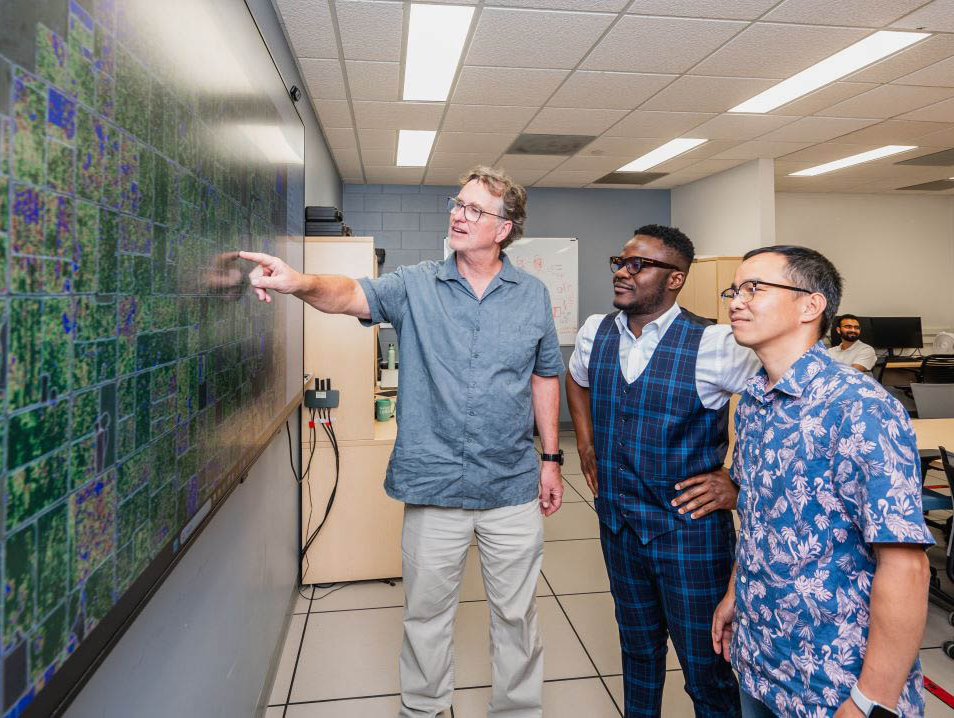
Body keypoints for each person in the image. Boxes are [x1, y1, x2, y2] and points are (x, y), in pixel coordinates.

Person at [235, 167, 565, 718]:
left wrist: (552, 459)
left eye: (475, 209)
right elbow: (349, 294)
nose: (459, 215)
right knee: (426, 617)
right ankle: (424, 709)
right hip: (433, 485)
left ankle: (517, 710)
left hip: (510, 486)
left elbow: (544, 376)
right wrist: (300, 282)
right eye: (457, 204)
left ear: (504, 229)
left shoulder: (531, 296)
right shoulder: (415, 285)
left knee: (517, 617)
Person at [712, 245, 933, 718]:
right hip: (762, 659)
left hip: (834, 682)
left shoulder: (858, 407)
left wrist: (871, 700)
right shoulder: (753, 401)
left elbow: (907, 566)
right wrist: (736, 594)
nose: (735, 301)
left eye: (755, 288)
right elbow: (758, 518)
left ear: (811, 305)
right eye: (735, 289)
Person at [565, 225, 760, 718]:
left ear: (675, 279)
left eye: (639, 264)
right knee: (638, 653)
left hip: (688, 533)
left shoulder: (715, 343)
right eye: (621, 261)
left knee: (705, 668)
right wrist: (585, 442)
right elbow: (576, 379)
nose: (622, 272)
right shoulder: (596, 331)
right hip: (619, 525)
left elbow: (779, 403)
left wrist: (740, 482)